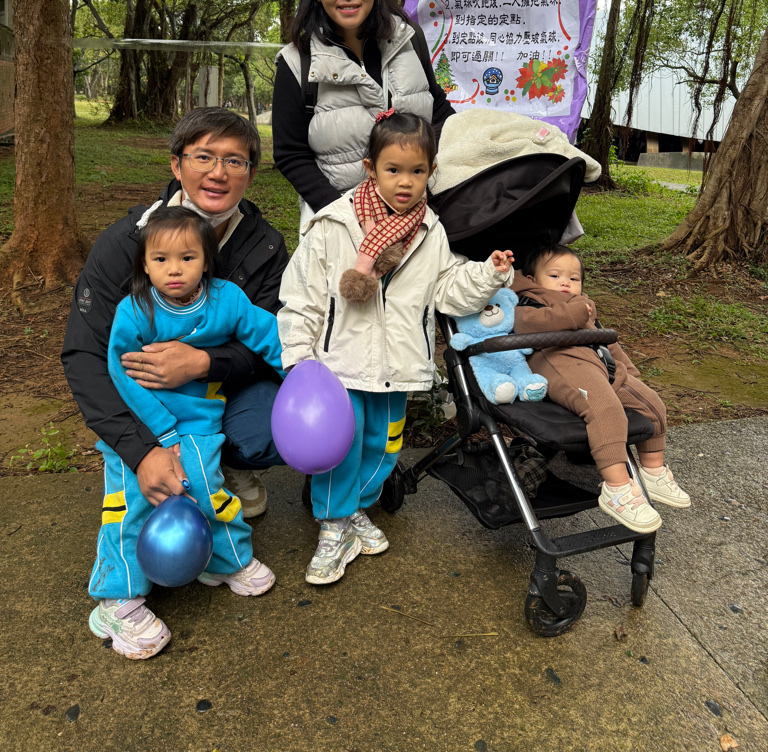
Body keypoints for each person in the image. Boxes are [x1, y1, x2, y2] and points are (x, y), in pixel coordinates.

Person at [277, 110, 514, 585]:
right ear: (370, 169)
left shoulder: (430, 231)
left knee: (384, 448)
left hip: (398, 367)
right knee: (341, 450)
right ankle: (333, 525)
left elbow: (447, 290)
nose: (405, 182)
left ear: (431, 171)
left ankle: (356, 510)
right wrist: (300, 360)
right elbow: (301, 297)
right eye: (393, 169)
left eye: (417, 171)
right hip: (338, 368)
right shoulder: (334, 225)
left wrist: (488, 274)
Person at [62, 107, 288, 521]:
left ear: (251, 174)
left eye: (234, 161)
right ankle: (159, 462)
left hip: (221, 391)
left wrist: (205, 362)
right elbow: (85, 355)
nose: (218, 173)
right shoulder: (125, 243)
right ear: (176, 164)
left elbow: (271, 340)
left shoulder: (266, 247)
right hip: (147, 400)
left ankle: (226, 464)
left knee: (273, 430)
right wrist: (142, 452)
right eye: (203, 157)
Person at [89, 207, 284, 659]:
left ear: (207, 261)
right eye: (161, 259)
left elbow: (268, 335)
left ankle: (224, 560)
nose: (174, 270)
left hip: (199, 423)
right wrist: (160, 433)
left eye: (187, 258)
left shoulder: (227, 300)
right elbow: (121, 376)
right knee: (133, 502)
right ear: (144, 264)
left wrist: (297, 374)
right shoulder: (135, 311)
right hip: (143, 425)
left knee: (207, 489)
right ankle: (116, 596)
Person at [271, 0, 454, 225]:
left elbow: (438, 110)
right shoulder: (296, 62)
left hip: (423, 215)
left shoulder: (408, 39)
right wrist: (348, 216)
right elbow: (291, 154)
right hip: (341, 222)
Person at [512, 244, 691, 534]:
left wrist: (629, 373)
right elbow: (525, 325)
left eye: (574, 278)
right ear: (532, 279)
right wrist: (574, 313)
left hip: (598, 364)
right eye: (555, 276)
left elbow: (608, 343)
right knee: (605, 409)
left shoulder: (583, 307)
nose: (566, 283)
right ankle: (617, 488)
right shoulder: (526, 302)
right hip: (560, 363)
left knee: (652, 404)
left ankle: (653, 471)